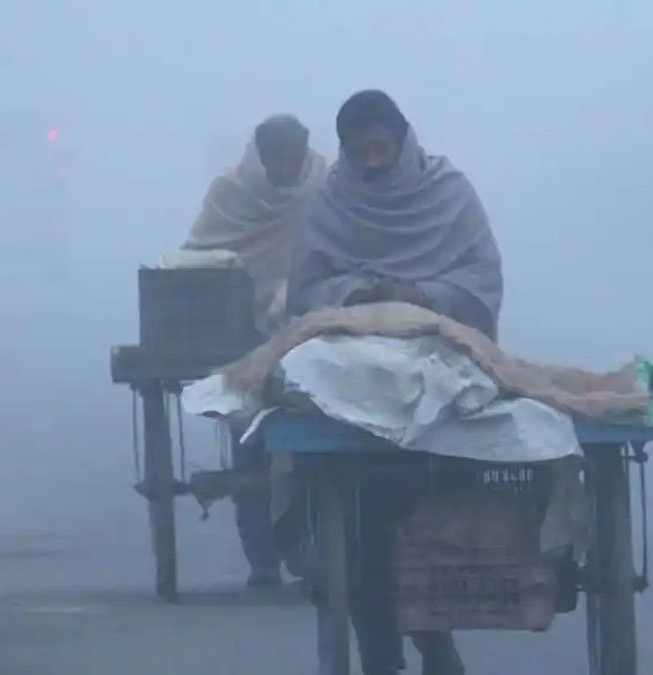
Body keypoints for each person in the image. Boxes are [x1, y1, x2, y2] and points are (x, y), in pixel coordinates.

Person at [287, 90, 501, 675]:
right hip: (355, 382)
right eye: (362, 154)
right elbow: (306, 291)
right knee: (360, 537)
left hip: (443, 370)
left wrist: (421, 296)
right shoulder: (333, 202)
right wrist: (360, 294)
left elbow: (482, 279)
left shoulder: (449, 193)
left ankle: (433, 641)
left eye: (382, 150)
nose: (374, 163)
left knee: (428, 529)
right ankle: (383, 652)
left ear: (403, 143)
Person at [183, 114, 328, 586]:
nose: (286, 167)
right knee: (249, 441)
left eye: (293, 156)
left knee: (311, 445)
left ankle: (306, 549)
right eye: (277, 157)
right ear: (260, 156)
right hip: (238, 332)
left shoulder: (323, 185)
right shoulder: (231, 191)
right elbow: (201, 252)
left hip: (306, 328)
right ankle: (261, 557)